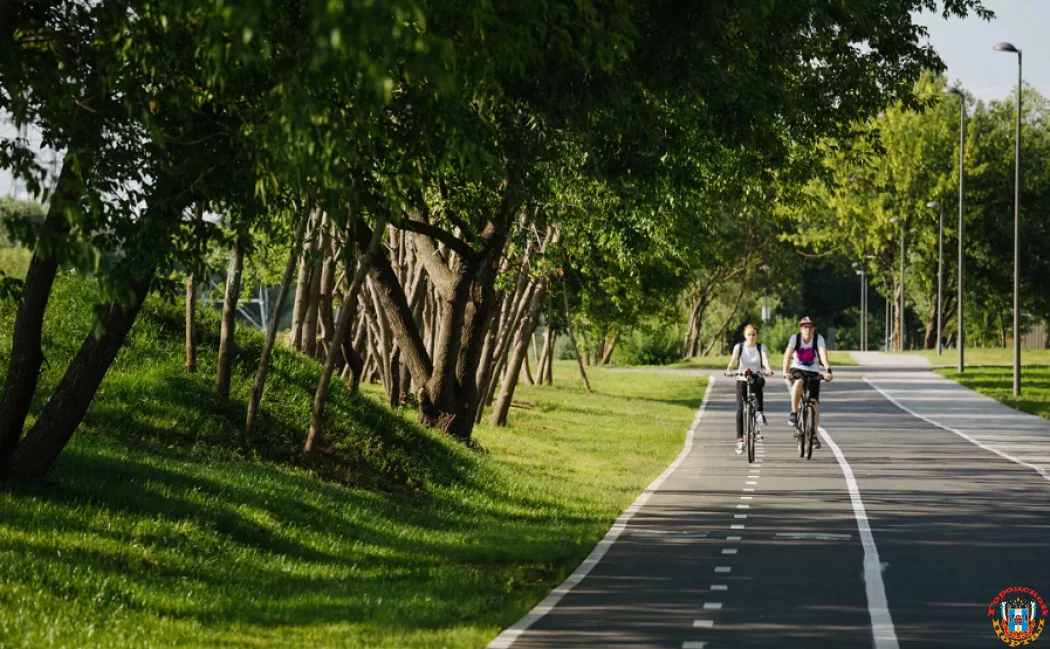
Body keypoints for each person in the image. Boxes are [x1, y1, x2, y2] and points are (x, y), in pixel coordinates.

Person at [783, 316, 833, 449]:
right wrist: (786, 372)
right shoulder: (796, 338)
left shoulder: (818, 339)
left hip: (813, 371)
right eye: (805, 327)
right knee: (799, 381)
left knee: (814, 403)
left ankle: (814, 435)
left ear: (814, 329)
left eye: (810, 327)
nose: (808, 329)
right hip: (797, 369)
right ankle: (794, 412)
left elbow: (823, 356)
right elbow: (787, 355)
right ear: (801, 328)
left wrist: (828, 371)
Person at [726, 324, 773, 455]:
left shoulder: (760, 347)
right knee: (740, 409)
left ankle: (759, 413)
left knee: (758, 384)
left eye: (753, 334)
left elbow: (765, 360)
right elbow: (733, 359)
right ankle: (740, 440)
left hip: (756, 376)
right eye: (749, 334)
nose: (751, 337)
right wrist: (729, 369)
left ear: (756, 335)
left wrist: (768, 369)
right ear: (745, 335)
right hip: (742, 378)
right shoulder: (739, 347)